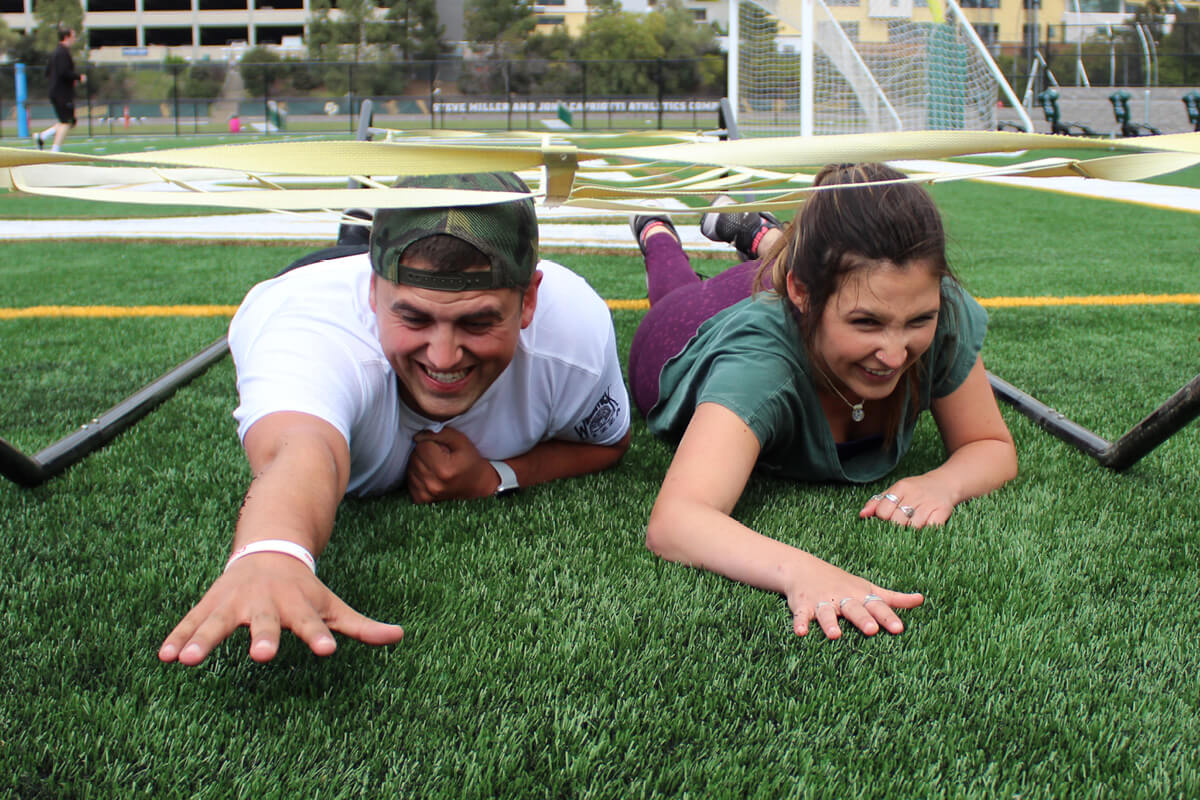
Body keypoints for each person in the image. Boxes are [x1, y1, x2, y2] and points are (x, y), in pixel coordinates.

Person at [159, 172, 631, 666]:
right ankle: (355, 239)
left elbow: (608, 444)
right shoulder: (312, 333)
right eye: (415, 319)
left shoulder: (572, 334)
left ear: (530, 299)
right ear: (372, 293)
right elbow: (298, 448)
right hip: (314, 276)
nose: (444, 358)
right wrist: (274, 550)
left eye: (477, 321)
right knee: (343, 257)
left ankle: (368, 239)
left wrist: (496, 477)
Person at [628, 163, 1017, 641]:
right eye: (867, 323)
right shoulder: (758, 365)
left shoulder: (936, 308)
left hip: (800, 289)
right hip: (681, 331)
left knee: (830, 275)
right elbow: (676, 521)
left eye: (919, 320)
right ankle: (656, 231)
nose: (895, 354)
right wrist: (803, 572)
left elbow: (989, 443)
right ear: (801, 294)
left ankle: (761, 236)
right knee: (680, 290)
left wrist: (945, 483)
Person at [35, 28, 86, 152]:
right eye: (73, 36)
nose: (75, 39)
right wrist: (78, 77)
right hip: (62, 93)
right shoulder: (63, 52)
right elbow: (64, 72)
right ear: (67, 37)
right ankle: (54, 151)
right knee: (66, 122)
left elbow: (48, 72)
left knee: (70, 121)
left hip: (56, 92)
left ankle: (42, 136)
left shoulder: (55, 52)